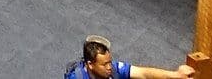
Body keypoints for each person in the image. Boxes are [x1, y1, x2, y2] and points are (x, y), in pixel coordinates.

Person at [63, 36, 197, 79]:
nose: (109, 67)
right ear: (90, 64)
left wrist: (176, 75)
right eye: (104, 64)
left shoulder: (113, 69)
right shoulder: (76, 78)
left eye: (109, 62)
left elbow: (143, 73)